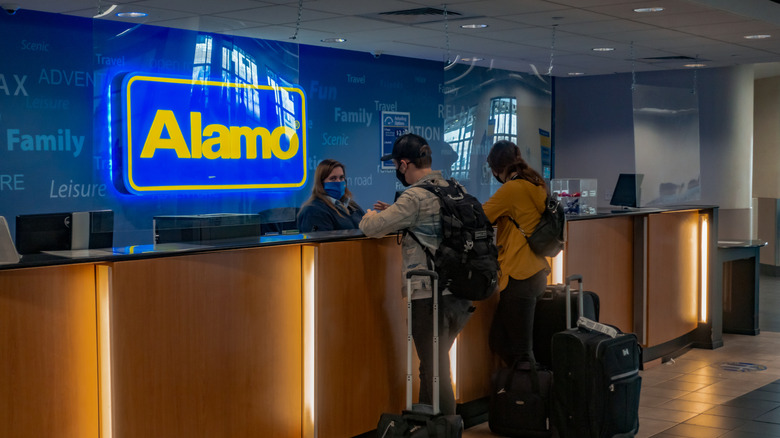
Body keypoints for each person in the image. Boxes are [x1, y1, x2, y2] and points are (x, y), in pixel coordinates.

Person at [359, 133, 473, 416]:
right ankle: (433, 427)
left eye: (398, 164)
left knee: (434, 372)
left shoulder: (414, 197)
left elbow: (371, 228)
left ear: (404, 164)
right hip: (460, 293)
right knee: (433, 367)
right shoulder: (453, 187)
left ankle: (444, 429)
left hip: (428, 296)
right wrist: (398, 212)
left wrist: (369, 215)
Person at [482, 140, 550, 366]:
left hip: (519, 274)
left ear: (496, 168)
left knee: (520, 351)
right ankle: (519, 392)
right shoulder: (536, 183)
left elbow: (481, 216)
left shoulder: (512, 189)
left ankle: (528, 396)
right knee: (505, 341)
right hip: (537, 271)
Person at [297, 159, 365, 232]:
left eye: (341, 177)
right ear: (321, 183)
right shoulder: (314, 211)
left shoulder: (353, 207)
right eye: (333, 178)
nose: (338, 181)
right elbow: (323, 242)